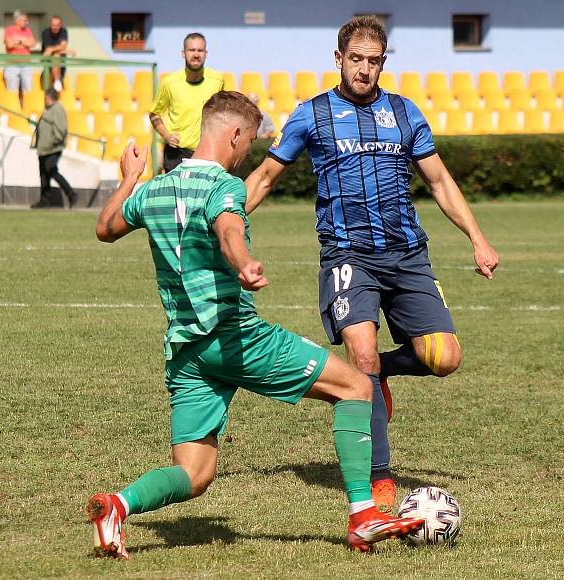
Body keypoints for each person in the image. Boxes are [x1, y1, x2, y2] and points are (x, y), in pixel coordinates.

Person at [87, 91, 423, 559]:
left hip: (187, 351)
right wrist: (243, 262)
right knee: (356, 387)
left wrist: (128, 180)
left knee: (195, 473)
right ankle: (364, 514)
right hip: (234, 337)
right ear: (235, 134)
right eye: (249, 144)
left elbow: (105, 228)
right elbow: (227, 227)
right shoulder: (223, 185)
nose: (248, 155)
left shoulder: (154, 189)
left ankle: (117, 506)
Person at [244, 17, 499, 512]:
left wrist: (477, 238)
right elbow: (265, 177)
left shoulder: (404, 112)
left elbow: (440, 182)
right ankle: (379, 478)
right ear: (338, 59)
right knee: (361, 357)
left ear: (384, 62)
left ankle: (376, 373)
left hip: (406, 254)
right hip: (347, 254)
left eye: (374, 60)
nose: (364, 69)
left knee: (443, 358)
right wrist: (225, 223)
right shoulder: (311, 114)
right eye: (355, 59)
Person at [150, 32, 224, 173]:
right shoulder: (170, 83)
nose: (196, 54)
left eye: (200, 50)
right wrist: (167, 136)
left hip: (207, 152)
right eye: (191, 50)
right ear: (183, 53)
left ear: (206, 53)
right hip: (176, 153)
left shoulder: (218, 80)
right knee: (176, 195)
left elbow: (222, 112)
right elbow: (154, 114)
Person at [30, 88, 77, 209]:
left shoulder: (57, 109)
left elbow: (61, 130)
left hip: (52, 148)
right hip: (44, 149)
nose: (44, 100)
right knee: (44, 174)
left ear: (49, 97)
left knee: (52, 171)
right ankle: (44, 200)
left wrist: (53, 143)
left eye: (45, 97)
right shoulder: (50, 110)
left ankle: (71, 194)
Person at [3, 10, 36, 104]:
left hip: (26, 64)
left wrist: (19, 42)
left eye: (27, 20)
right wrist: (25, 43)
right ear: (17, 20)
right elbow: (9, 44)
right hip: (12, 64)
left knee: (28, 90)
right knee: (12, 91)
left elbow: (33, 43)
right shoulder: (9, 30)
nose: (26, 22)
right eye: (24, 20)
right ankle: (13, 112)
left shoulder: (28, 30)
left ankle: (28, 112)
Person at [41, 15, 75, 92]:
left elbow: (63, 46)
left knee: (58, 89)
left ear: (60, 25)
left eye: (57, 25)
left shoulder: (63, 31)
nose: (55, 27)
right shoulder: (46, 33)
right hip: (48, 62)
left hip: (61, 63)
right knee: (56, 56)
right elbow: (48, 51)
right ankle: (56, 81)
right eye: (53, 25)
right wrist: (66, 51)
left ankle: (57, 82)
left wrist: (54, 49)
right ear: (50, 25)